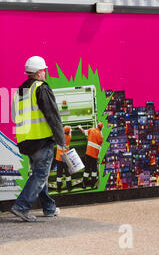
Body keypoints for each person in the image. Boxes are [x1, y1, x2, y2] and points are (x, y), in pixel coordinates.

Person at [11, 56, 67, 222]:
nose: (45, 73)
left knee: (39, 173)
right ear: (38, 72)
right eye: (44, 70)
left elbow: (15, 116)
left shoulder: (19, 92)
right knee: (41, 175)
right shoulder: (41, 88)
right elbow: (52, 115)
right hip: (42, 140)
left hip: (26, 141)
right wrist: (61, 139)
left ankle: (49, 208)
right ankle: (21, 206)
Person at [78, 122, 104, 189]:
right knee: (94, 170)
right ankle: (93, 184)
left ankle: (84, 184)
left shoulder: (91, 130)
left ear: (97, 126)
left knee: (87, 169)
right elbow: (100, 144)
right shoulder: (101, 137)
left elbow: (83, 132)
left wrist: (80, 127)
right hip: (94, 156)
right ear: (101, 128)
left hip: (88, 154)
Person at [56, 126, 73, 193]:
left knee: (59, 175)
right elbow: (70, 133)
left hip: (59, 158)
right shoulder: (69, 137)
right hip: (65, 158)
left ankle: (59, 189)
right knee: (67, 173)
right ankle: (69, 188)